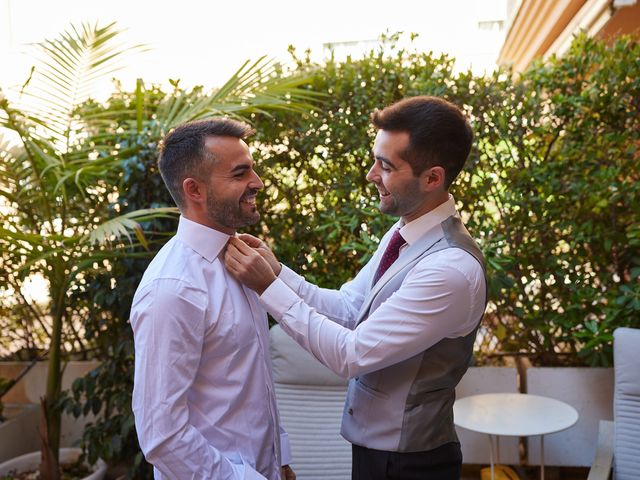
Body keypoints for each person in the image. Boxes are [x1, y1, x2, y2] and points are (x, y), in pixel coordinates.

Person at [224, 96, 487, 480]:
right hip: (376, 452)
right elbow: (349, 308)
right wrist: (278, 272)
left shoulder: (451, 270)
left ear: (433, 178)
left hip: (410, 463)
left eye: (386, 166)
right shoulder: (404, 232)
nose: (370, 175)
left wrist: (267, 289)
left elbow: (352, 354)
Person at [130, 118, 295, 480]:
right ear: (195, 190)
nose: (258, 182)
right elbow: (162, 435)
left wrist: (279, 459)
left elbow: (250, 383)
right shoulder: (172, 288)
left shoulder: (241, 261)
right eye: (240, 174)